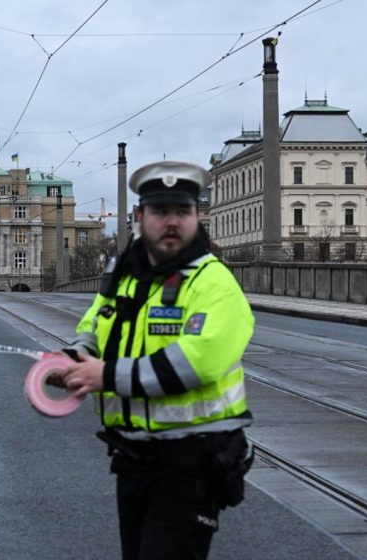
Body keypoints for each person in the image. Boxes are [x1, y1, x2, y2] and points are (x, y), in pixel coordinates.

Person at [51, 161, 254, 560]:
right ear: (140, 217)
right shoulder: (126, 277)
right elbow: (94, 328)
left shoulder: (212, 282)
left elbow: (197, 362)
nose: (173, 222)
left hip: (192, 461)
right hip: (132, 458)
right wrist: (74, 358)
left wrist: (105, 375)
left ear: (197, 216)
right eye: (162, 212)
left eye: (183, 212)